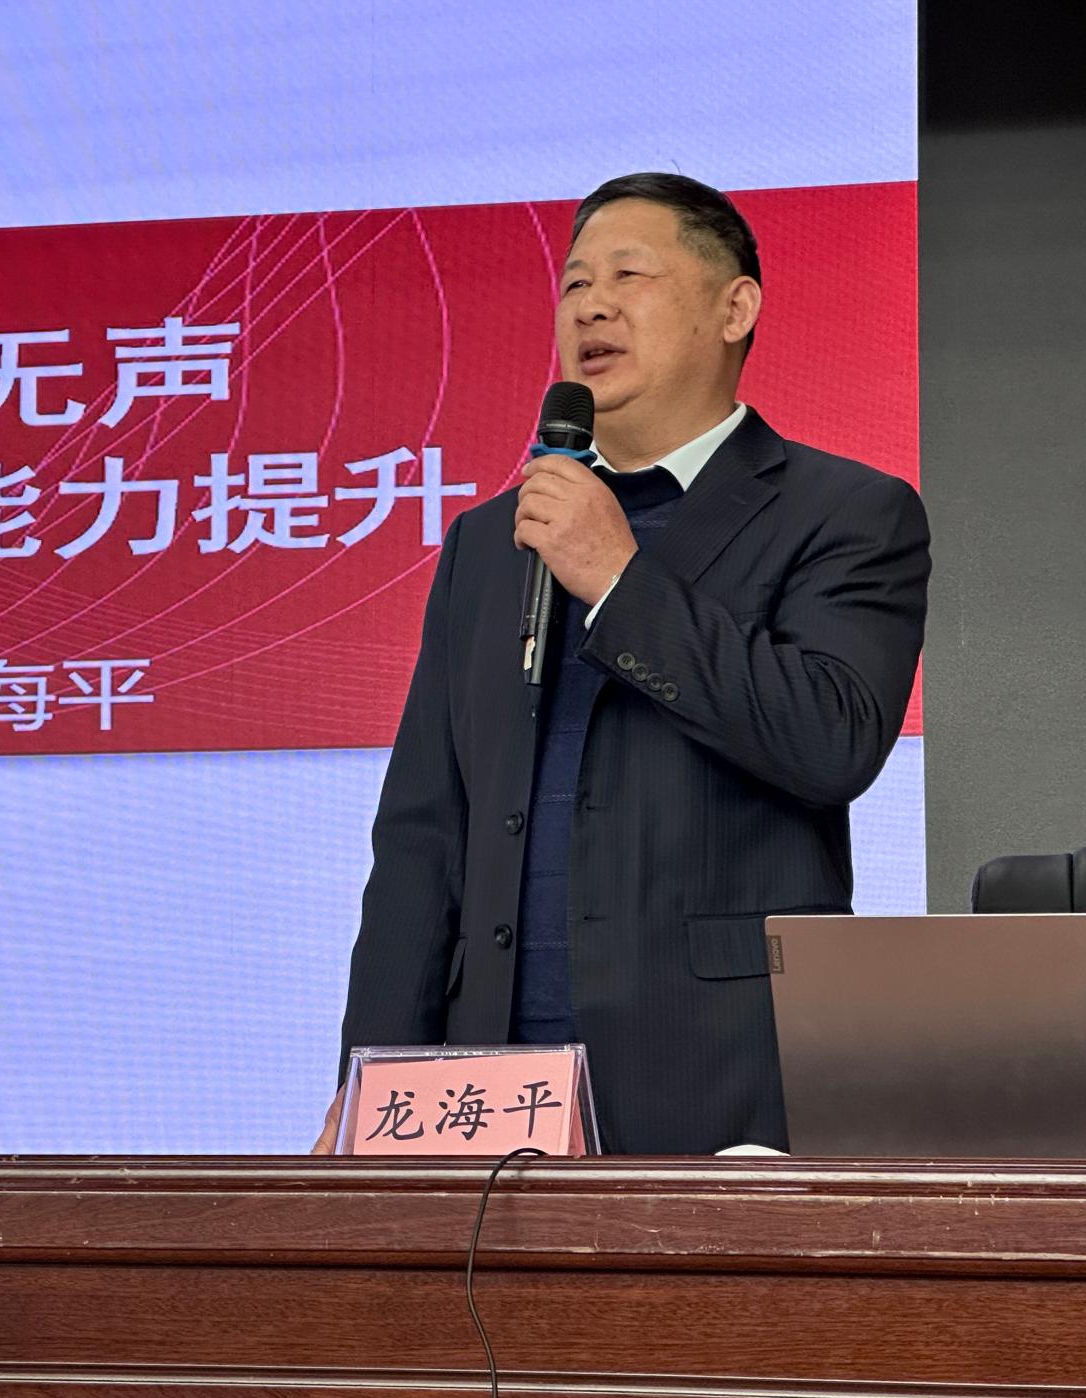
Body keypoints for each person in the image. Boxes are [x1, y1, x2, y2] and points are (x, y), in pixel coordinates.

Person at [317, 172, 930, 1155]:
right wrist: (367, 1081)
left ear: (735, 308)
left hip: (720, 1077)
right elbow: (425, 834)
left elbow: (831, 738)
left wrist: (618, 578)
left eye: (628, 275)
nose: (590, 307)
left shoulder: (845, 513)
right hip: (485, 1087)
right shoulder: (490, 543)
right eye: (573, 284)